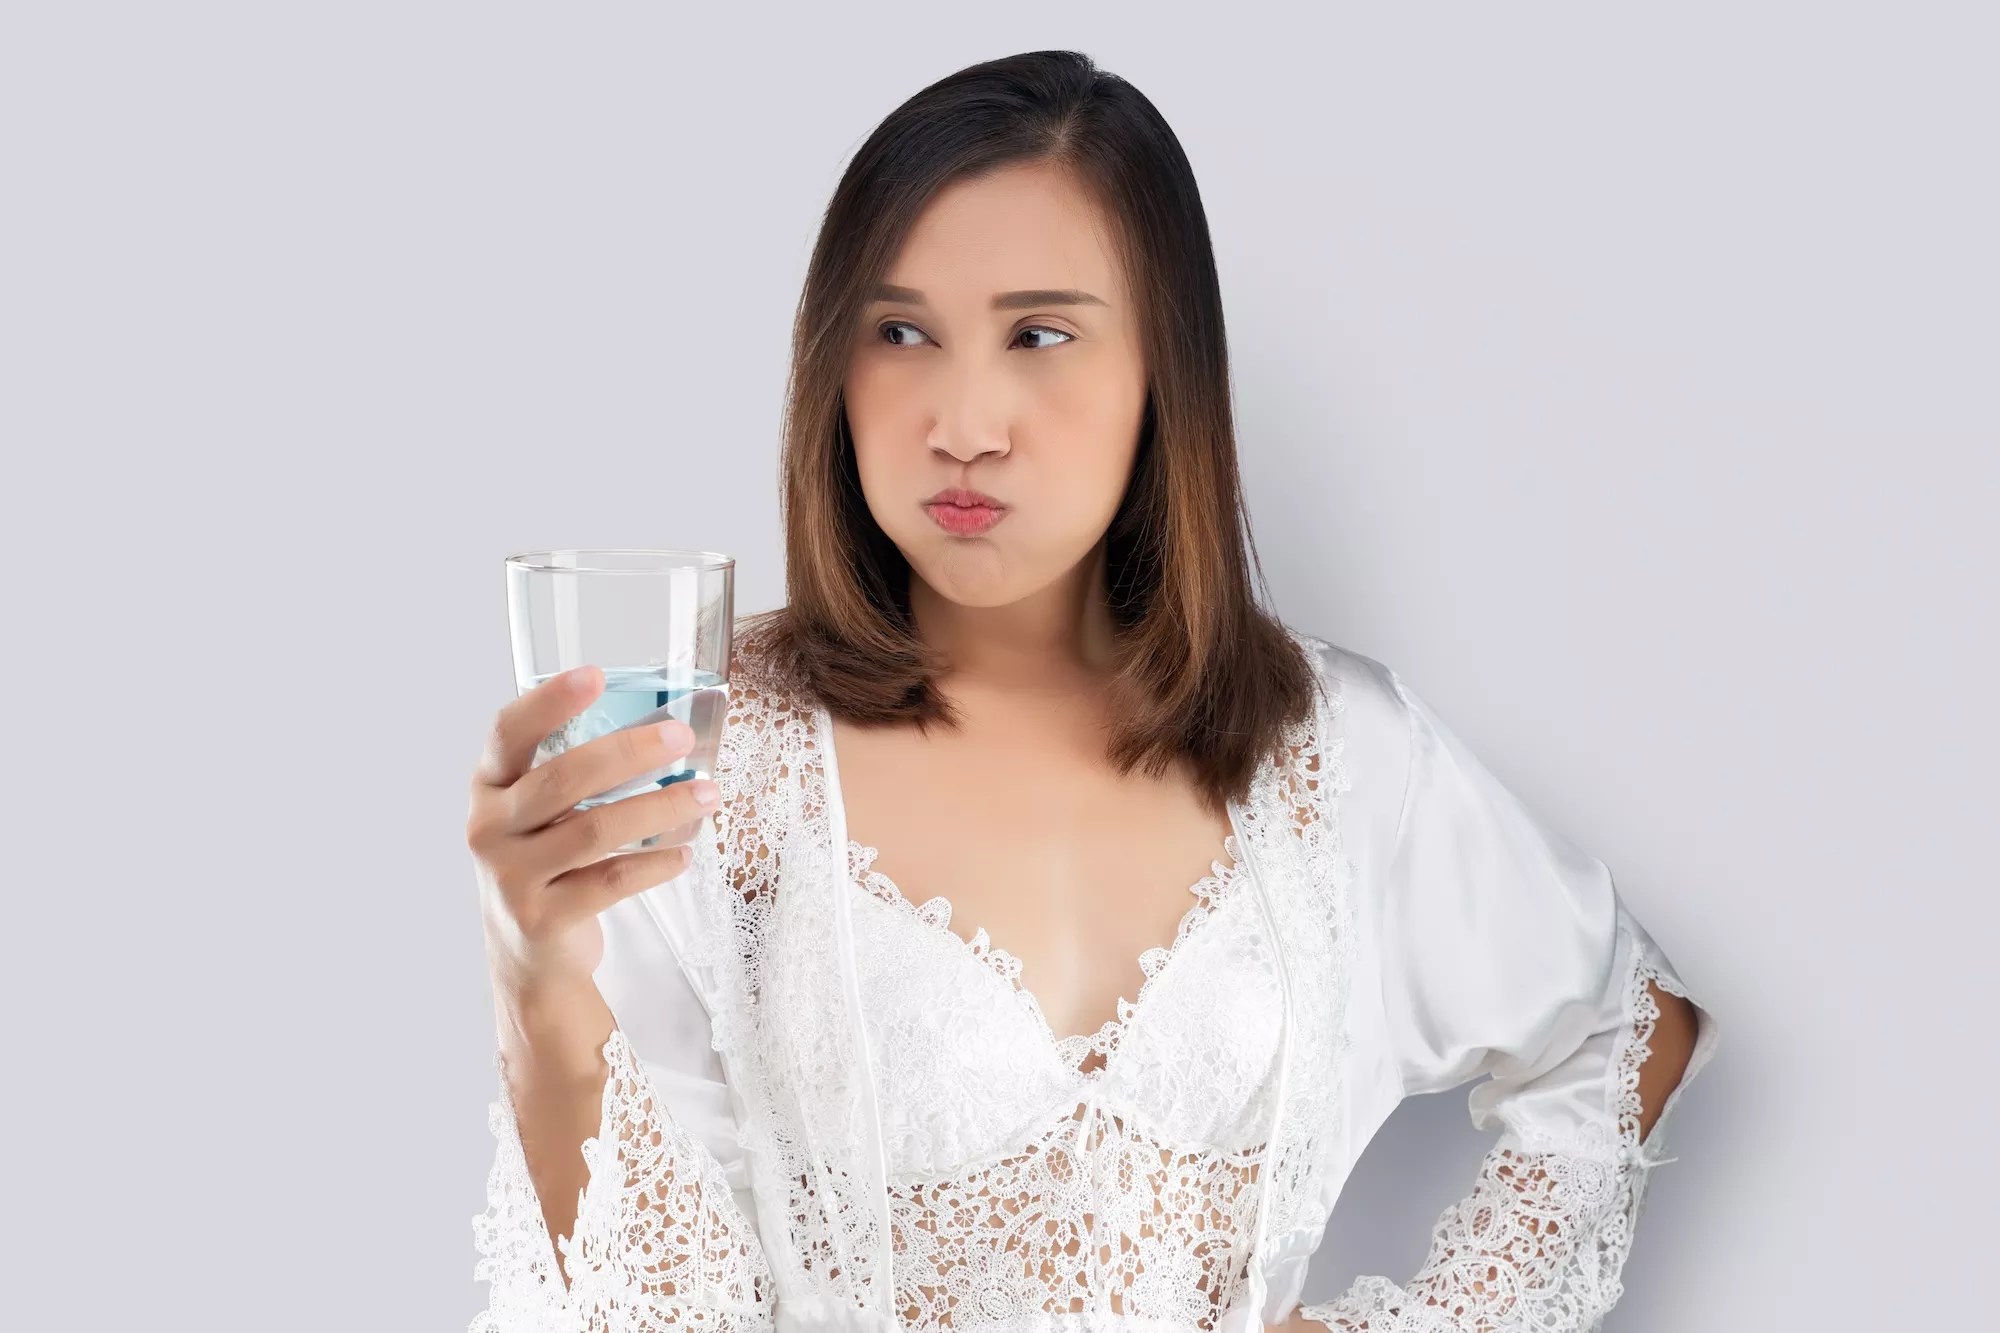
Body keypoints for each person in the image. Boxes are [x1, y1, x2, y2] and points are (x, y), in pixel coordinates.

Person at [464, 49, 1720, 1333]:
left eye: (1039, 334)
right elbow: (659, 1314)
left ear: (1160, 372)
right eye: (898, 332)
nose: (964, 420)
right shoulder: (722, 760)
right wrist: (538, 979)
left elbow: (1624, 1025)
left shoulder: (1330, 752)